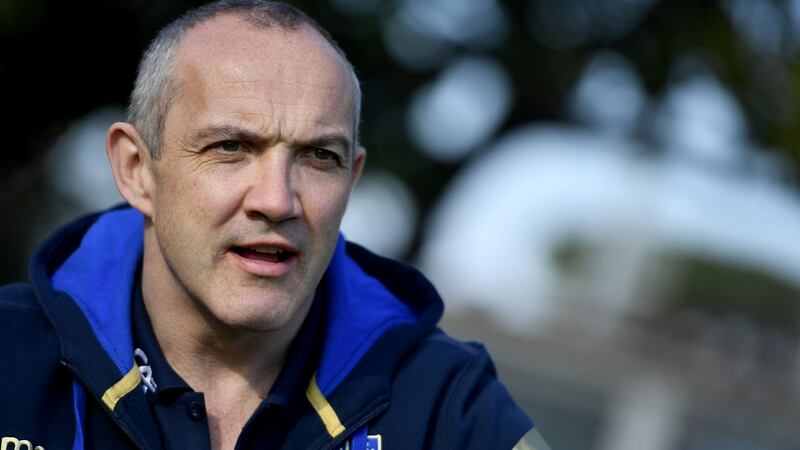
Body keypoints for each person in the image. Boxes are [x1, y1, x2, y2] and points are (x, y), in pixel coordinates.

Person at [0, 1, 550, 449]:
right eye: (230, 147)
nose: (276, 200)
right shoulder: (10, 352)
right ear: (136, 170)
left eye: (319, 157)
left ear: (351, 180)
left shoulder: (446, 406)